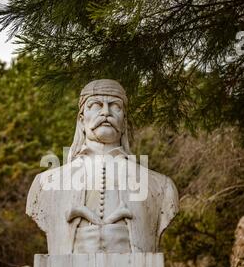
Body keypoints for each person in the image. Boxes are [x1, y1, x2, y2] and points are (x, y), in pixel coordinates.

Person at [26, 79, 178, 253]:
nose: (106, 112)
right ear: (82, 120)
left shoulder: (161, 186)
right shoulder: (45, 184)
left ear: (124, 122)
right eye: (96, 105)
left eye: (115, 106)